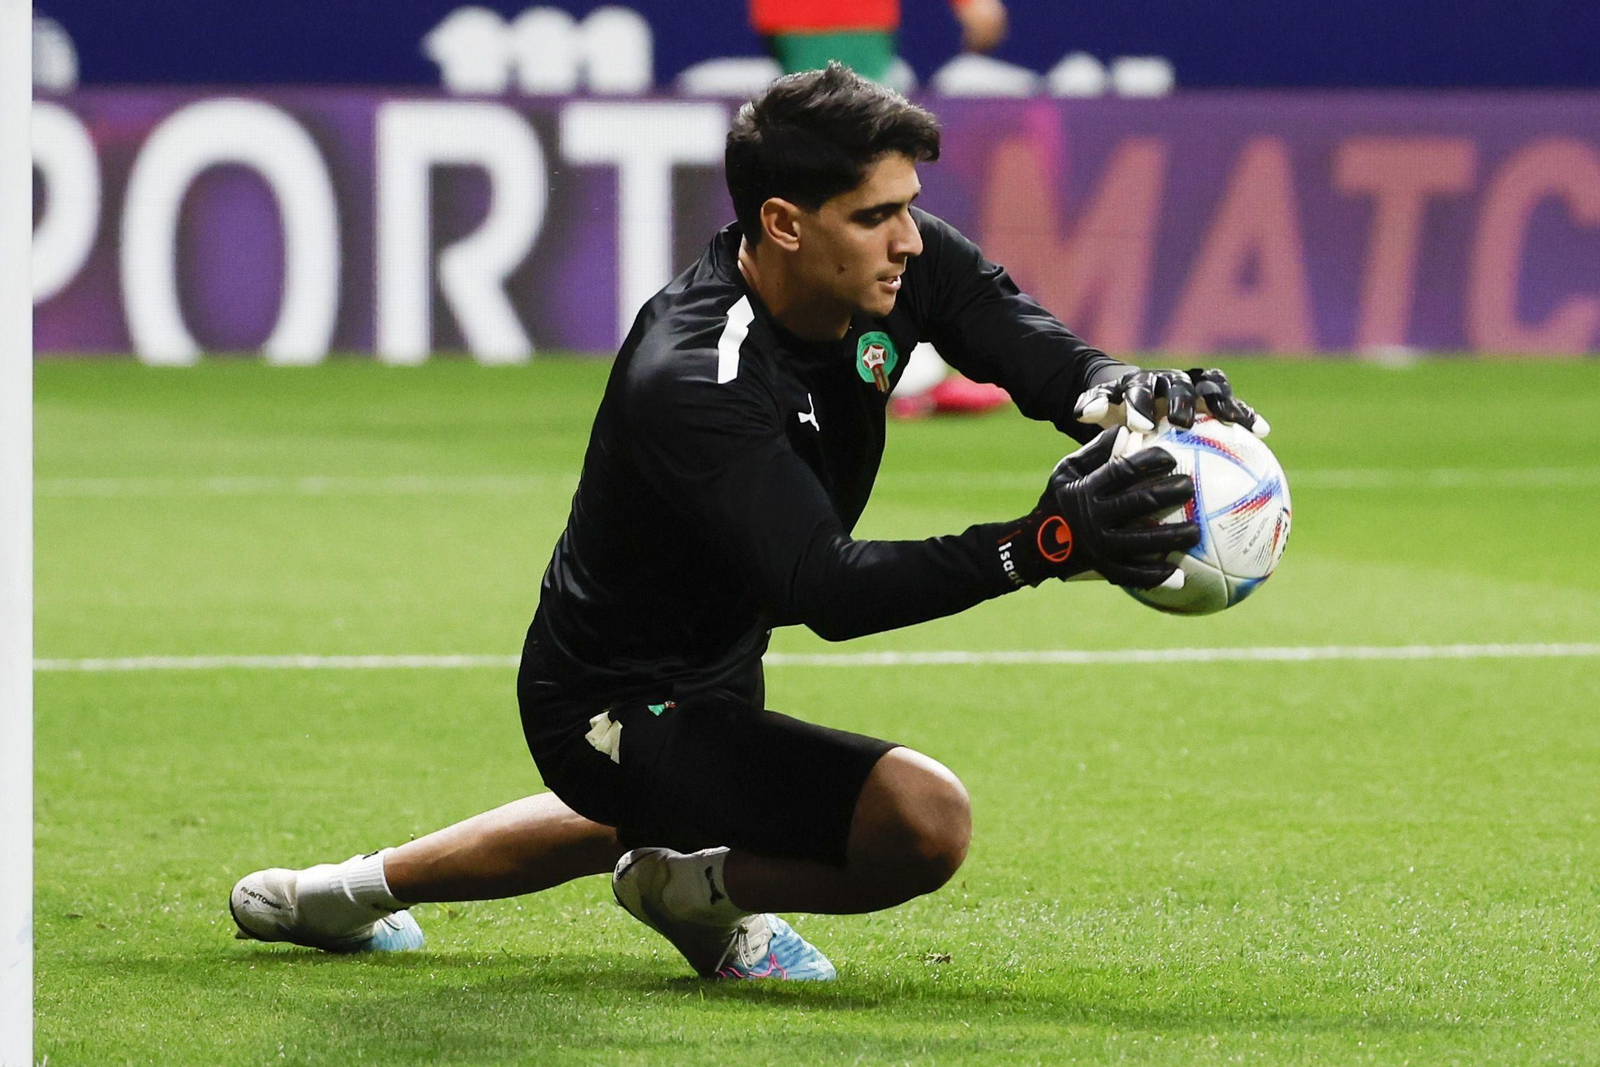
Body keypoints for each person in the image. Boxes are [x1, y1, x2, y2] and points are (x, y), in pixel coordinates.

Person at [229, 64, 1266, 981]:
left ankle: (339, 893)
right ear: (782, 222)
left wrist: (1125, 391)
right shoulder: (694, 374)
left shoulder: (895, 260)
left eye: (910, 205)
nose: (908, 238)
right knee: (919, 821)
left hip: (716, 658)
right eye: (875, 215)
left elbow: (1020, 338)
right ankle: (687, 894)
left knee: (647, 808)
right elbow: (829, 587)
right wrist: (1044, 544)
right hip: (610, 695)